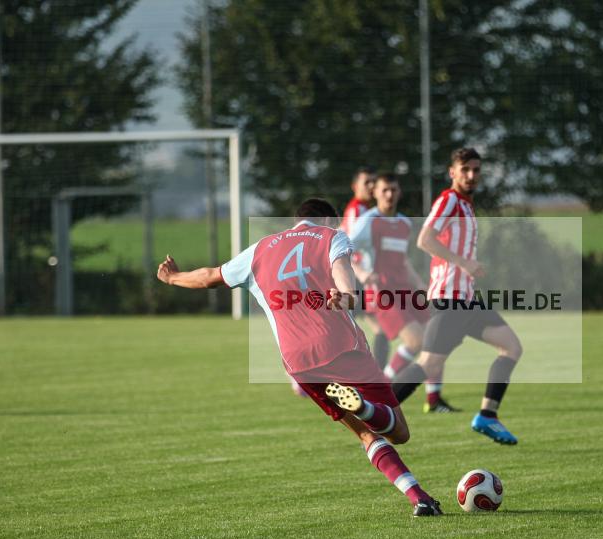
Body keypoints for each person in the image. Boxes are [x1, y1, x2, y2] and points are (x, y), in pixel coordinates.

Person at [156, 198, 442, 516]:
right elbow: (341, 269)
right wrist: (346, 294)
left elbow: (210, 276)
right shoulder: (332, 236)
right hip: (341, 348)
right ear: (329, 220)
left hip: (299, 363)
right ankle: (366, 407)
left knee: (364, 433)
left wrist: (173, 278)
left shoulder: (260, 249)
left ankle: (420, 498)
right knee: (399, 431)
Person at [391, 148, 523, 445]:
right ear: (453, 172)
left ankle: (487, 416)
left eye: (476, 170)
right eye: (465, 169)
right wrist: (464, 263)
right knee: (428, 363)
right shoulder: (449, 200)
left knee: (511, 347)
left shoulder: (466, 204)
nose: (472, 175)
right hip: (450, 299)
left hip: (467, 299)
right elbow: (425, 239)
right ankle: (381, 412)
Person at [348, 173, 454, 413]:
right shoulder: (368, 221)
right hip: (381, 292)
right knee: (416, 341)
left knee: (438, 337)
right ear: (375, 192)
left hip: (405, 289)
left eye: (393, 190)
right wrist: (363, 275)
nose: (389, 194)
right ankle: (381, 391)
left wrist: (423, 288)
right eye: (384, 190)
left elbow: (403, 261)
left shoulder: (404, 223)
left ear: (399, 192)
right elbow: (344, 251)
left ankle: (434, 399)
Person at [340, 167, 390, 368]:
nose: (371, 186)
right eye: (366, 182)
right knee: (348, 331)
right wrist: (361, 271)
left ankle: (375, 378)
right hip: (354, 277)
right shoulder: (358, 209)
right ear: (355, 187)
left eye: (373, 182)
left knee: (376, 329)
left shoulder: (365, 210)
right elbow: (349, 246)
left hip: (358, 276)